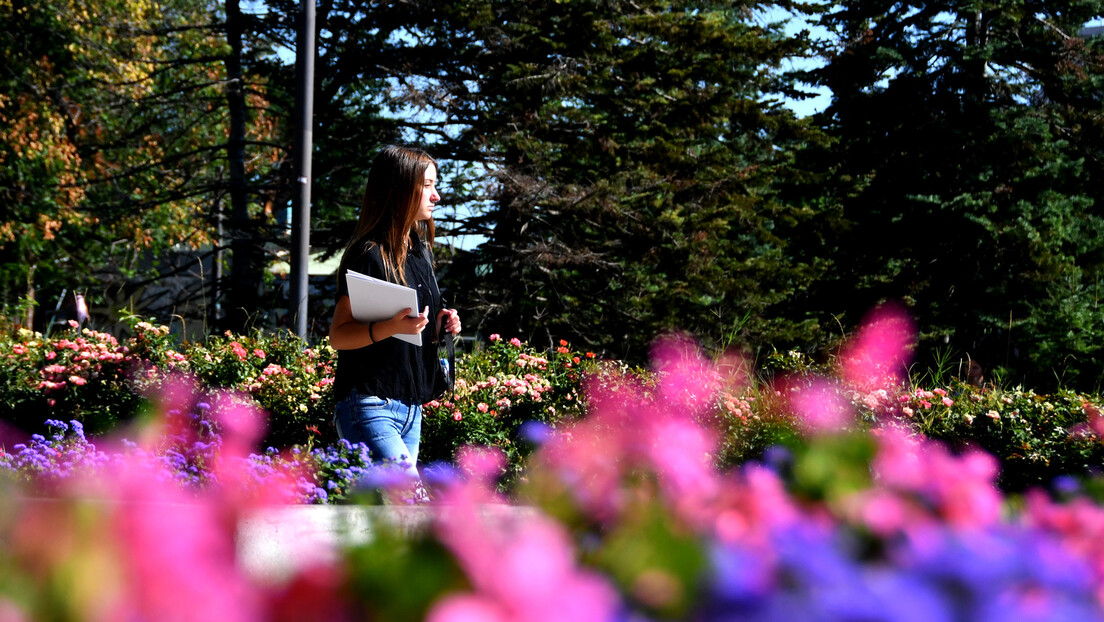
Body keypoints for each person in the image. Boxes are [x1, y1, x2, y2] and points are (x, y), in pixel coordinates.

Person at [329, 144, 461, 491]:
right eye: (429, 185)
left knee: (394, 520)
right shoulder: (368, 255)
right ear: (402, 188)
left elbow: (414, 329)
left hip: (410, 407)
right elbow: (339, 335)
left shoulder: (420, 252)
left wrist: (441, 325)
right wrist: (391, 327)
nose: (437, 195)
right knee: (411, 502)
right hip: (370, 403)